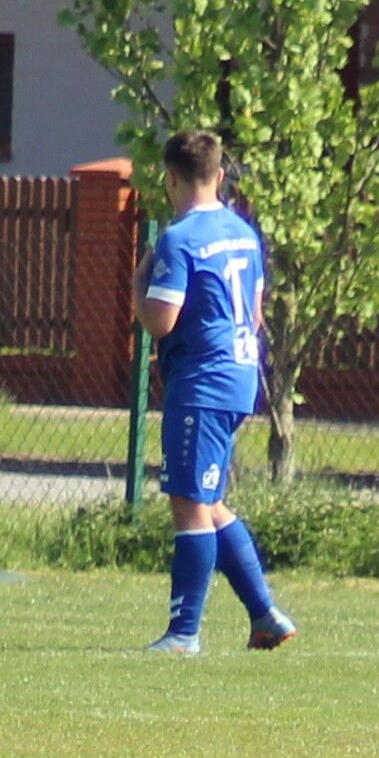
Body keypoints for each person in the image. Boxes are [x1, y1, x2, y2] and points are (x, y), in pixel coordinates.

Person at [134, 129, 296, 657]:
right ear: (220, 175)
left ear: (170, 179)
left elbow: (159, 321)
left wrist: (137, 285)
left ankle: (184, 633)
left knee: (188, 503)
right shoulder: (244, 232)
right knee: (210, 501)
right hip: (240, 374)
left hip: (202, 382)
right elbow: (255, 312)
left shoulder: (179, 238)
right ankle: (265, 615)